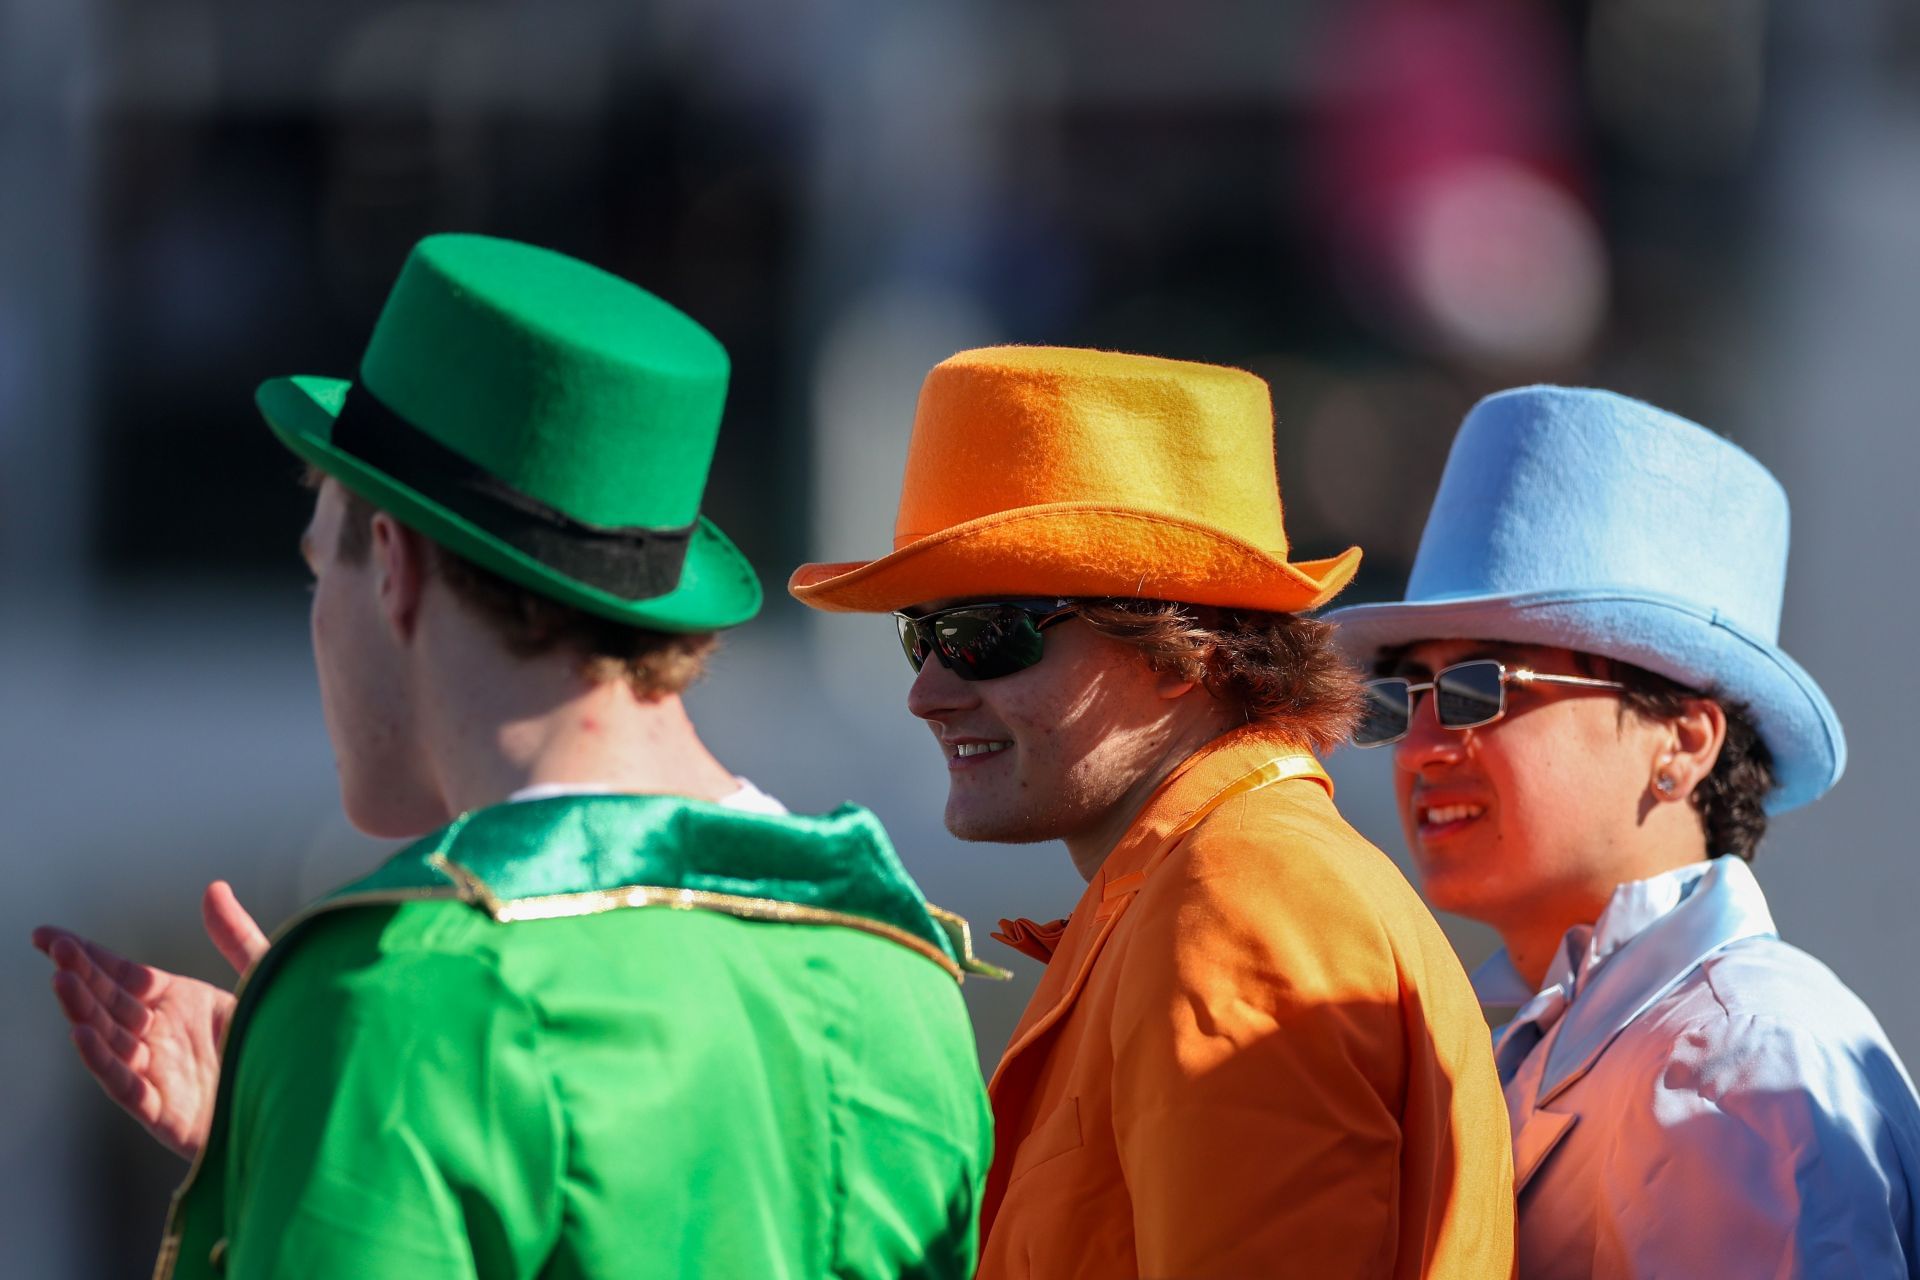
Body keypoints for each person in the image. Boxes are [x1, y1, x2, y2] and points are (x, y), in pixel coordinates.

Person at [33, 234, 996, 1279]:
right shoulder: (904, 974)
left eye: (323, 574)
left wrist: (336, 1081)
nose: (322, 619)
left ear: (394, 564)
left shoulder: (395, 996)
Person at [787, 345, 1516, 1279]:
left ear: (1182, 651)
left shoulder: (1246, 896)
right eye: (919, 635)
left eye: (984, 635)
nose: (927, 692)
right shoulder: (1217, 881)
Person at [1327, 385, 1920, 1277]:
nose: (1419, 745)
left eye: (1481, 689)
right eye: (1403, 695)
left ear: (1682, 742)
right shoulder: (1574, 1044)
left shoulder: (1735, 1062)